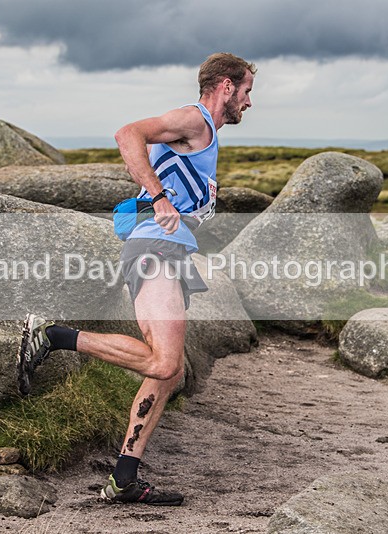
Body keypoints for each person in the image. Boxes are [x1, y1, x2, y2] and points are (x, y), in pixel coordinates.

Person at [16, 52, 256, 506]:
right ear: (226, 86)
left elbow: (173, 186)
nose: (249, 102)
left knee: (167, 373)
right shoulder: (194, 118)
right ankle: (51, 335)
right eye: (246, 92)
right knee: (165, 364)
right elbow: (128, 134)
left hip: (166, 249)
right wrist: (162, 198)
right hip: (155, 249)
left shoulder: (202, 138)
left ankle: (124, 478)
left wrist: (196, 204)